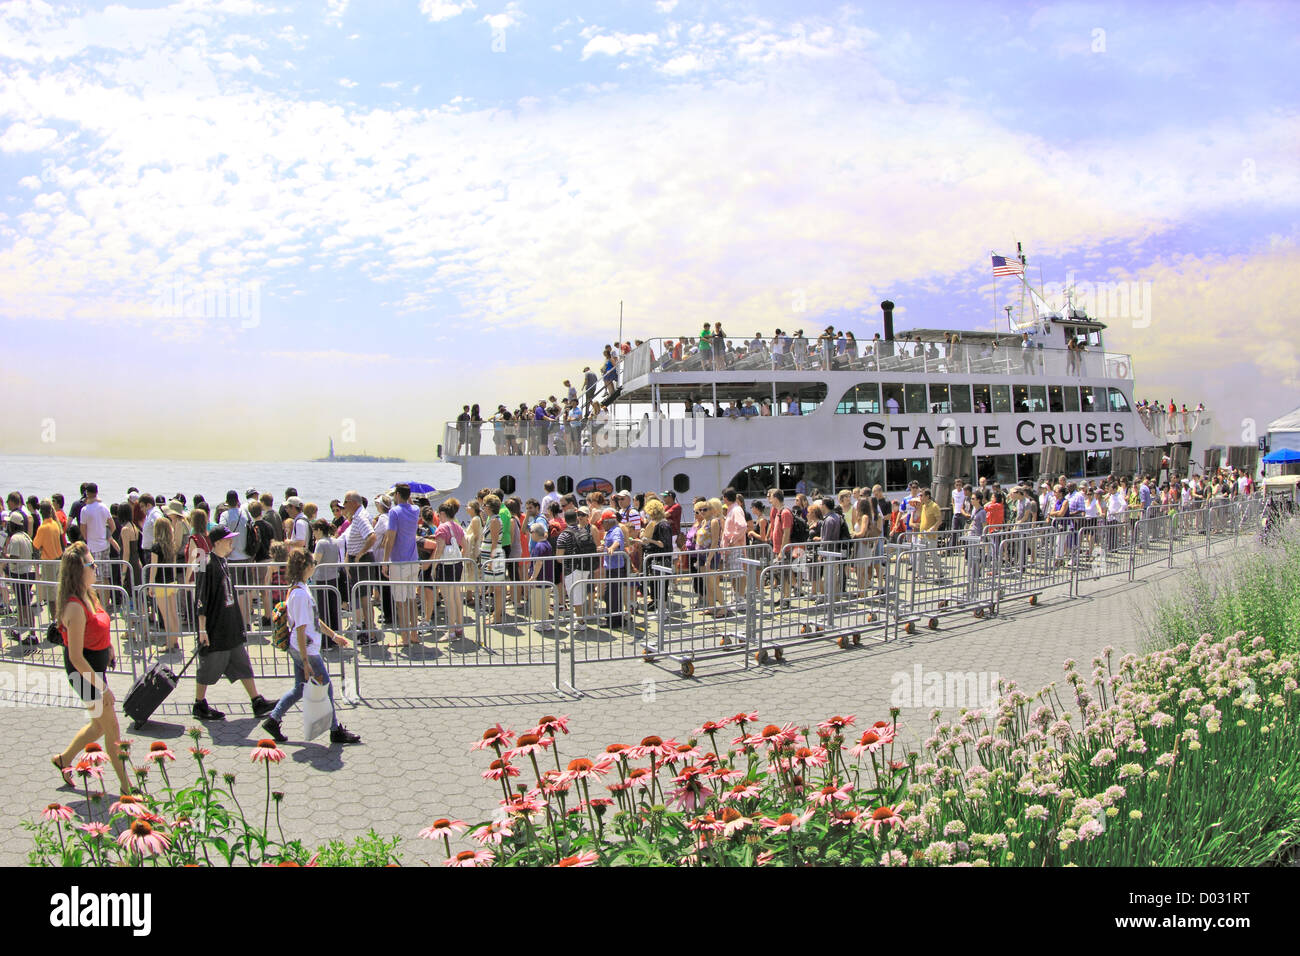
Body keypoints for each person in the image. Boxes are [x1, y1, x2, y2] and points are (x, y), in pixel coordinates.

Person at [51, 543, 133, 794]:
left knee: (99, 727)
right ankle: (126, 787)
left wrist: (108, 647)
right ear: (79, 570)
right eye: (92, 565)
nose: (96, 568)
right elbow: (76, 657)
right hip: (84, 676)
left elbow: (100, 623)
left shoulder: (89, 592)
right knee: (113, 730)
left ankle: (63, 759)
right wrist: (102, 688)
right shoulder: (74, 606)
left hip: (96, 671)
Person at [260, 549, 360, 745]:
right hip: (306, 651)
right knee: (326, 687)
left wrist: (333, 635)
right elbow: (301, 628)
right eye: (313, 563)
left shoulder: (300, 589)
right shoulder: (300, 595)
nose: (315, 565)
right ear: (306, 567)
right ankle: (334, 730)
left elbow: (314, 620)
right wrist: (306, 662)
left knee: (299, 688)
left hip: (301, 648)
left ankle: (274, 719)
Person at [191, 525, 276, 721]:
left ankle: (256, 700)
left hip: (230, 625)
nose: (232, 543)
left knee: (242, 663)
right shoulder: (206, 563)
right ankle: (199, 703)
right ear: (218, 542)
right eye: (228, 540)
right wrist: (202, 628)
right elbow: (200, 598)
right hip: (215, 626)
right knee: (208, 667)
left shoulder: (223, 561)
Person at [3, 512, 37, 642]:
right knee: (22, 603)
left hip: (21, 573)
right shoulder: (26, 536)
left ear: (13, 525)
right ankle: (20, 628)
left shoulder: (15, 538)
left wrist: (4, 555)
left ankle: (33, 634)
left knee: (25, 604)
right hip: (28, 571)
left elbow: (14, 559)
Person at [600, 509, 627, 628]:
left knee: (612, 595)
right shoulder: (612, 530)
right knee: (610, 594)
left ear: (608, 522)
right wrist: (605, 547)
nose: (602, 525)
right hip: (612, 567)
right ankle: (614, 619)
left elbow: (618, 541)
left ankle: (615, 621)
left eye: (603, 522)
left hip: (615, 567)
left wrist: (612, 548)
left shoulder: (616, 530)